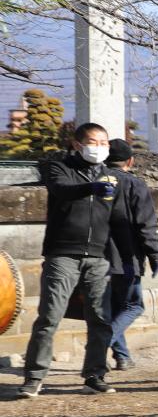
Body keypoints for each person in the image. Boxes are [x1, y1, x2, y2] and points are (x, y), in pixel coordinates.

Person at [18, 122, 119, 397]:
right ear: (77, 144)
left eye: (104, 143)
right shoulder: (59, 167)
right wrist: (92, 187)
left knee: (100, 318)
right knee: (49, 316)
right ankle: (34, 376)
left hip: (99, 257)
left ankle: (95, 373)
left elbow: (120, 218)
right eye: (93, 142)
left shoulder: (111, 176)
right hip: (62, 253)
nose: (99, 148)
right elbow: (62, 189)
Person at [102, 139, 158, 369]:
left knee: (116, 307)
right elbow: (147, 225)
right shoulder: (134, 185)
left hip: (97, 258)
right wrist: (155, 255)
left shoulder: (95, 181)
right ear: (130, 161)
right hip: (126, 258)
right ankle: (101, 344)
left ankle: (122, 356)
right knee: (134, 306)